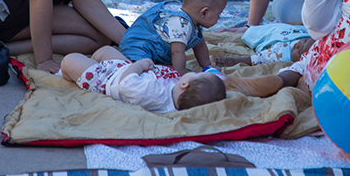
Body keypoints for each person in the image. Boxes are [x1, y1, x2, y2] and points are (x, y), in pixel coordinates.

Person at [60, 46, 226, 113]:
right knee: (106, 50)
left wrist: (140, 64)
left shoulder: (152, 95)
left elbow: (125, 85)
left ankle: (64, 74)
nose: (192, 72)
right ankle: (91, 61)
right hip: (123, 68)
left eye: (196, 74)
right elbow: (213, 86)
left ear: (185, 84)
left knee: (70, 60)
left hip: (104, 78)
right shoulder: (178, 91)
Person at [118, 0, 227, 76]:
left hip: (154, 50)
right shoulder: (180, 24)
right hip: (138, 46)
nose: (219, 18)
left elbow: (200, 46)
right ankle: (155, 65)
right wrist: (181, 72)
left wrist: (207, 66)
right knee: (146, 68)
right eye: (218, 14)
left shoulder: (195, 26)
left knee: (159, 62)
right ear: (204, 13)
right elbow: (177, 52)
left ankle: (160, 64)